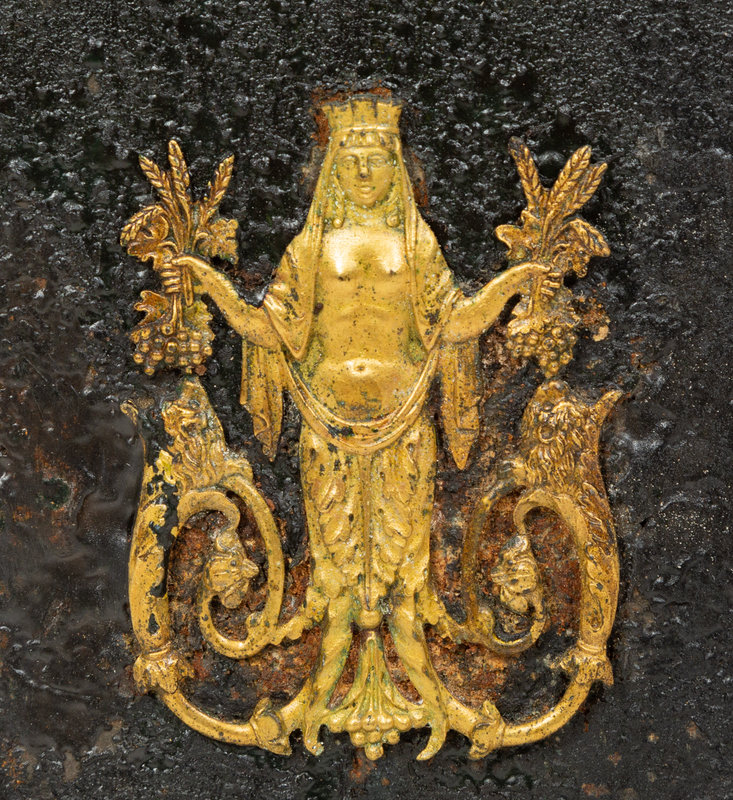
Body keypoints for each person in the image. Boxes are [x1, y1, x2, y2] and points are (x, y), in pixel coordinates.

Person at [162, 95, 550, 756]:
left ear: (395, 165)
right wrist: (211, 285)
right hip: (327, 428)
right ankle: (317, 693)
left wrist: (510, 286)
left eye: (376, 157)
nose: (365, 169)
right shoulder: (311, 247)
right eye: (352, 157)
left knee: (404, 569)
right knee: (336, 571)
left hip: (403, 426)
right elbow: (271, 328)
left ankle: (428, 693)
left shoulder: (416, 244)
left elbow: (453, 323)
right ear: (334, 168)